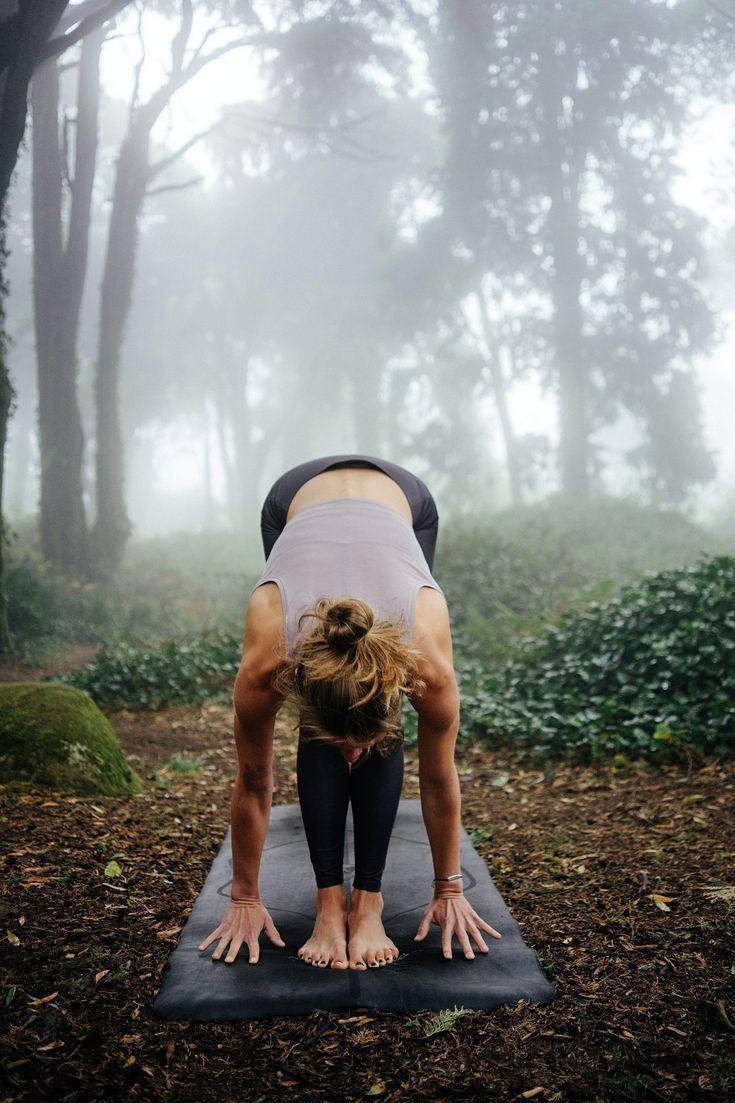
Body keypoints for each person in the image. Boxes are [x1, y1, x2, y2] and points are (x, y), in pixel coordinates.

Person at [198, 455, 502, 970]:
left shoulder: (425, 660)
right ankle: (328, 902)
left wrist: (449, 888)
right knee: (332, 706)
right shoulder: (269, 659)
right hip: (293, 498)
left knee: (360, 718)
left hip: (402, 498)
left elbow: (437, 775)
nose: (353, 755)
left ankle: (368, 903)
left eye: (359, 745)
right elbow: (253, 778)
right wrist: (244, 897)